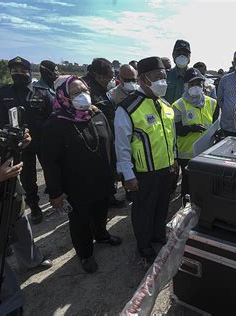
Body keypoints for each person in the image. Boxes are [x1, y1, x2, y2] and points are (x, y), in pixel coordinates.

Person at [42, 76, 122, 273]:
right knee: (80, 221)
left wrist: (115, 172)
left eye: (85, 91)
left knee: (101, 212)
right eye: (76, 93)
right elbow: (50, 163)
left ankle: (102, 235)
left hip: (102, 180)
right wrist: (56, 192)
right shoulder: (55, 124)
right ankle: (85, 254)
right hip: (76, 187)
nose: (83, 96)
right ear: (63, 95)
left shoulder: (97, 115)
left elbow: (109, 145)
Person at [0, 114, 52, 315]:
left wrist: (20, 143)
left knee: (22, 234)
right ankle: (7, 302)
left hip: (11, 201)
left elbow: (3, 141)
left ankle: (32, 261)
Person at [114, 57, 177, 263]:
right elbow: (122, 146)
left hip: (167, 169)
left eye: (164, 77)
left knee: (162, 206)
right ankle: (144, 244)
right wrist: (128, 175)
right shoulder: (128, 108)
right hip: (144, 173)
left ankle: (158, 234)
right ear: (143, 79)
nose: (163, 81)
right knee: (144, 210)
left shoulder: (166, 106)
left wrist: (174, 161)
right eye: (157, 77)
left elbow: (171, 137)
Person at [0, 56, 54, 225]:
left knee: (51, 171)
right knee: (28, 178)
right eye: (15, 71)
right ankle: (34, 206)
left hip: (43, 141)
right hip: (21, 145)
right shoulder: (4, 92)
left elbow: (52, 117)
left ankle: (55, 198)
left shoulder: (41, 92)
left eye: (22, 71)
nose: (19, 74)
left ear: (29, 73)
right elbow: (0, 121)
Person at [83, 58, 125, 209]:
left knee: (109, 168)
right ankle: (103, 200)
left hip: (107, 133)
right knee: (101, 170)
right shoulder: (87, 90)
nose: (111, 80)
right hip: (95, 138)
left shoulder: (101, 88)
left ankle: (109, 196)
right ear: (97, 75)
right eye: (109, 77)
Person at [173, 68, 218, 200]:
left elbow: (216, 125)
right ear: (186, 86)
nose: (196, 87)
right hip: (186, 153)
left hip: (206, 151)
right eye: (192, 84)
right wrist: (190, 128)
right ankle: (186, 209)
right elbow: (175, 129)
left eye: (199, 84)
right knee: (187, 185)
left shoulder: (212, 103)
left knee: (204, 183)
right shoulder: (178, 105)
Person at [164, 39, 191, 104]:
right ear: (173, 54)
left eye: (185, 53)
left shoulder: (196, 78)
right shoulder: (164, 76)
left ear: (190, 56)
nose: (182, 56)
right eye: (179, 52)